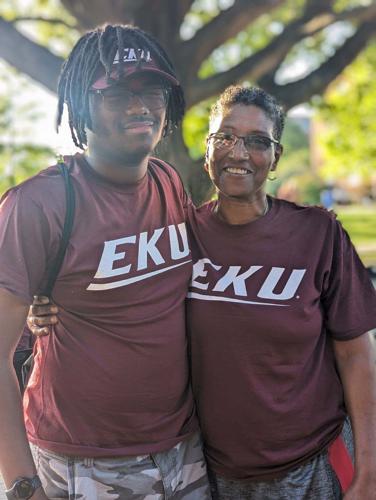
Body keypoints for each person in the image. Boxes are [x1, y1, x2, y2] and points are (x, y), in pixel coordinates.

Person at [0, 24, 210, 499]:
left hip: (185, 448)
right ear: (80, 105)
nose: (140, 106)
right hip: (84, 459)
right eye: (116, 93)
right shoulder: (38, 205)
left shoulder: (168, 181)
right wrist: (21, 483)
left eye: (151, 90)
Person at [186, 86, 376, 499]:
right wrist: (47, 305)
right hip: (210, 472)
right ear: (208, 150)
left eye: (258, 142)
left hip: (313, 467)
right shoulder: (180, 237)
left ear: (275, 158)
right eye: (226, 137)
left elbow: (356, 353)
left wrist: (370, 468)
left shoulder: (318, 233)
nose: (238, 153)